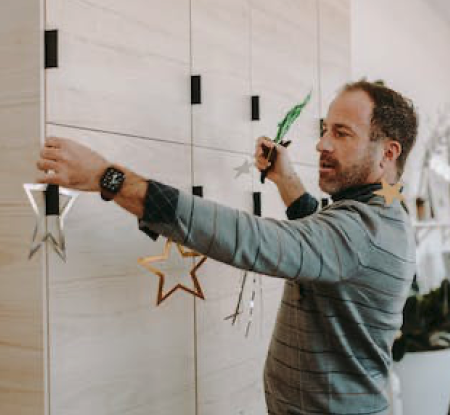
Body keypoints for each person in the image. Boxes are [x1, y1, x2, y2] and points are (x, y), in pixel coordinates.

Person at [35, 80, 418, 414]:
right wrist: (286, 180)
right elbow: (322, 239)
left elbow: (252, 239)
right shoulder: (376, 214)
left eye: (342, 133)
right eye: (324, 130)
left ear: (388, 153)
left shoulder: (365, 230)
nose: (321, 144)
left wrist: (109, 178)